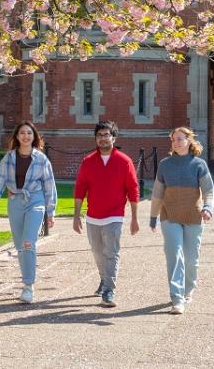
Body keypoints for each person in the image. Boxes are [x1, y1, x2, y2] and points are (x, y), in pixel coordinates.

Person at [0, 121, 57, 304]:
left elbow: (49, 186)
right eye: (22, 133)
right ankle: (27, 279)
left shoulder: (41, 159)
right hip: (15, 202)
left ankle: (28, 286)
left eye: (29, 133)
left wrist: (51, 211)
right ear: (17, 137)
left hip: (35, 200)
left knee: (28, 243)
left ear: (34, 137)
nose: (26, 136)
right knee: (20, 246)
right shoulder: (9, 158)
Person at [73, 120, 140, 308]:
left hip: (115, 215)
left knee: (111, 253)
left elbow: (133, 190)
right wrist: (76, 215)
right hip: (93, 215)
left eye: (106, 135)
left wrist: (134, 218)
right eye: (99, 135)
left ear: (114, 137)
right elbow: (80, 189)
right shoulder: (88, 161)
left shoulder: (124, 161)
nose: (103, 138)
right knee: (97, 252)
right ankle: (104, 278)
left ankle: (109, 290)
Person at [149, 126, 214, 315]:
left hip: (193, 216)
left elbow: (209, 190)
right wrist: (153, 216)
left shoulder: (199, 164)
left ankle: (188, 290)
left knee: (191, 259)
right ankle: (177, 299)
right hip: (169, 216)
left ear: (188, 141)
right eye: (173, 140)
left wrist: (208, 208)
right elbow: (157, 193)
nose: (176, 143)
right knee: (174, 256)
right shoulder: (165, 164)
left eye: (179, 139)